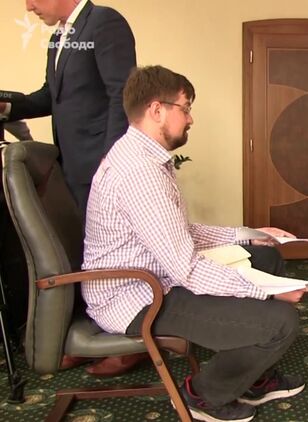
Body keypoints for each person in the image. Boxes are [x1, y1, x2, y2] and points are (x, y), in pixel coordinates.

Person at [82, 65, 308, 422]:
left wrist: (249, 234)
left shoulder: (144, 157)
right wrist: (266, 292)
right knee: (281, 322)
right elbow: (186, 268)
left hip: (156, 278)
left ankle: (252, 377)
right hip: (137, 297)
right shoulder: (139, 172)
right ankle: (203, 395)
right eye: (185, 108)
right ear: (157, 110)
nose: (191, 119)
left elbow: (179, 231)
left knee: (265, 257)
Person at [0, 0, 144, 378]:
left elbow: (123, 94)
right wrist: (6, 108)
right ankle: (91, 337)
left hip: (100, 165)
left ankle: (129, 342)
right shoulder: (59, 38)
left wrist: (110, 162)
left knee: (112, 255)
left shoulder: (104, 22)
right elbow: (49, 96)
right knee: (86, 253)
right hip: (72, 166)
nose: (28, 7)